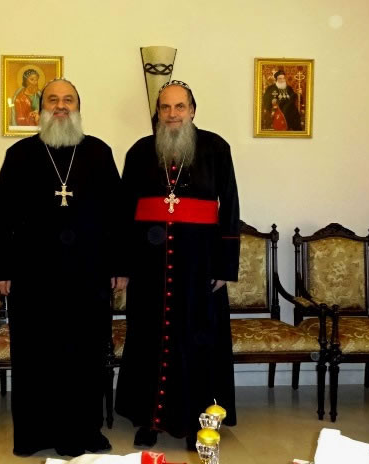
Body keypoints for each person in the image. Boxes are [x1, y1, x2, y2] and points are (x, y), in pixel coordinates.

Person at [0, 78, 129, 457]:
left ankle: (84, 434)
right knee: (36, 357)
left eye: (69, 100)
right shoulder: (20, 154)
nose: (61, 106)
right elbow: (1, 216)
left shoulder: (98, 152)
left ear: (78, 108)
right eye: (53, 99)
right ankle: (35, 434)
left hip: (89, 275)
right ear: (41, 109)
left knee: (86, 357)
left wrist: (120, 265)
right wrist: (0, 270)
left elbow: (117, 215)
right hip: (33, 276)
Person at [115, 80, 240, 451]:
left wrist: (224, 266)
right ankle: (147, 420)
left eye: (179, 107)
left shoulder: (216, 148)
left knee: (197, 343)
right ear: (158, 113)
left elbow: (230, 207)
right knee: (147, 341)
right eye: (165, 107)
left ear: (193, 110)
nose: (172, 114)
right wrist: (122, 264)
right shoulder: (140, 151)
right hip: (148, 266)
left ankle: (196, 421)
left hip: (200, 266)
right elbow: (124, 214)